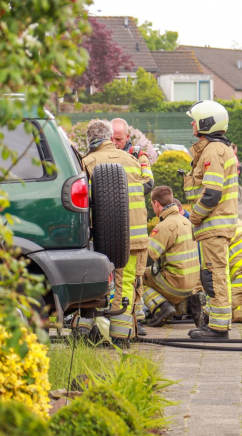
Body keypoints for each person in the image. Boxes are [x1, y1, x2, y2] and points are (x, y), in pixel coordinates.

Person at [81, 119, 149, 347]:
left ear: (90, 140)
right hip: (135, 237)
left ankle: (83, 330)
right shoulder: (131, 160)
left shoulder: (87, 162)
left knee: (93, 283)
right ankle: (122, 337)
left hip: (104, 237)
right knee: (126, 282)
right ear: (110, 138)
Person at [183, 100, 238, 340]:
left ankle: (218, 328)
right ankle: (213, 323)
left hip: (212, 226)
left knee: (214, 277)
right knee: (212, 276)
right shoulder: (216, 148)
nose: (192, 125)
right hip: (213, 227)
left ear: (206, 123)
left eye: (194, 120)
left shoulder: (213, 151)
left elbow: (212, 193)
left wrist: (193, 217)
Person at [142, 186, 204, 327]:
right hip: (192, 283)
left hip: (176, 284)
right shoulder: (187, 222)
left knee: (138, 277)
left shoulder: (165, 226)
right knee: (165, 276)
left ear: (156, 203)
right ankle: (191, 304)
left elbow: (147, 259)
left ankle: (160, 307)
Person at [111, 118, 154, 194]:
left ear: (127, 137)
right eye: (111, 139)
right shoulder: (100, 156)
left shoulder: (138, 156)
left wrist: (122, 193)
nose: (114, 142)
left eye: (118, 139)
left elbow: (148, 183)